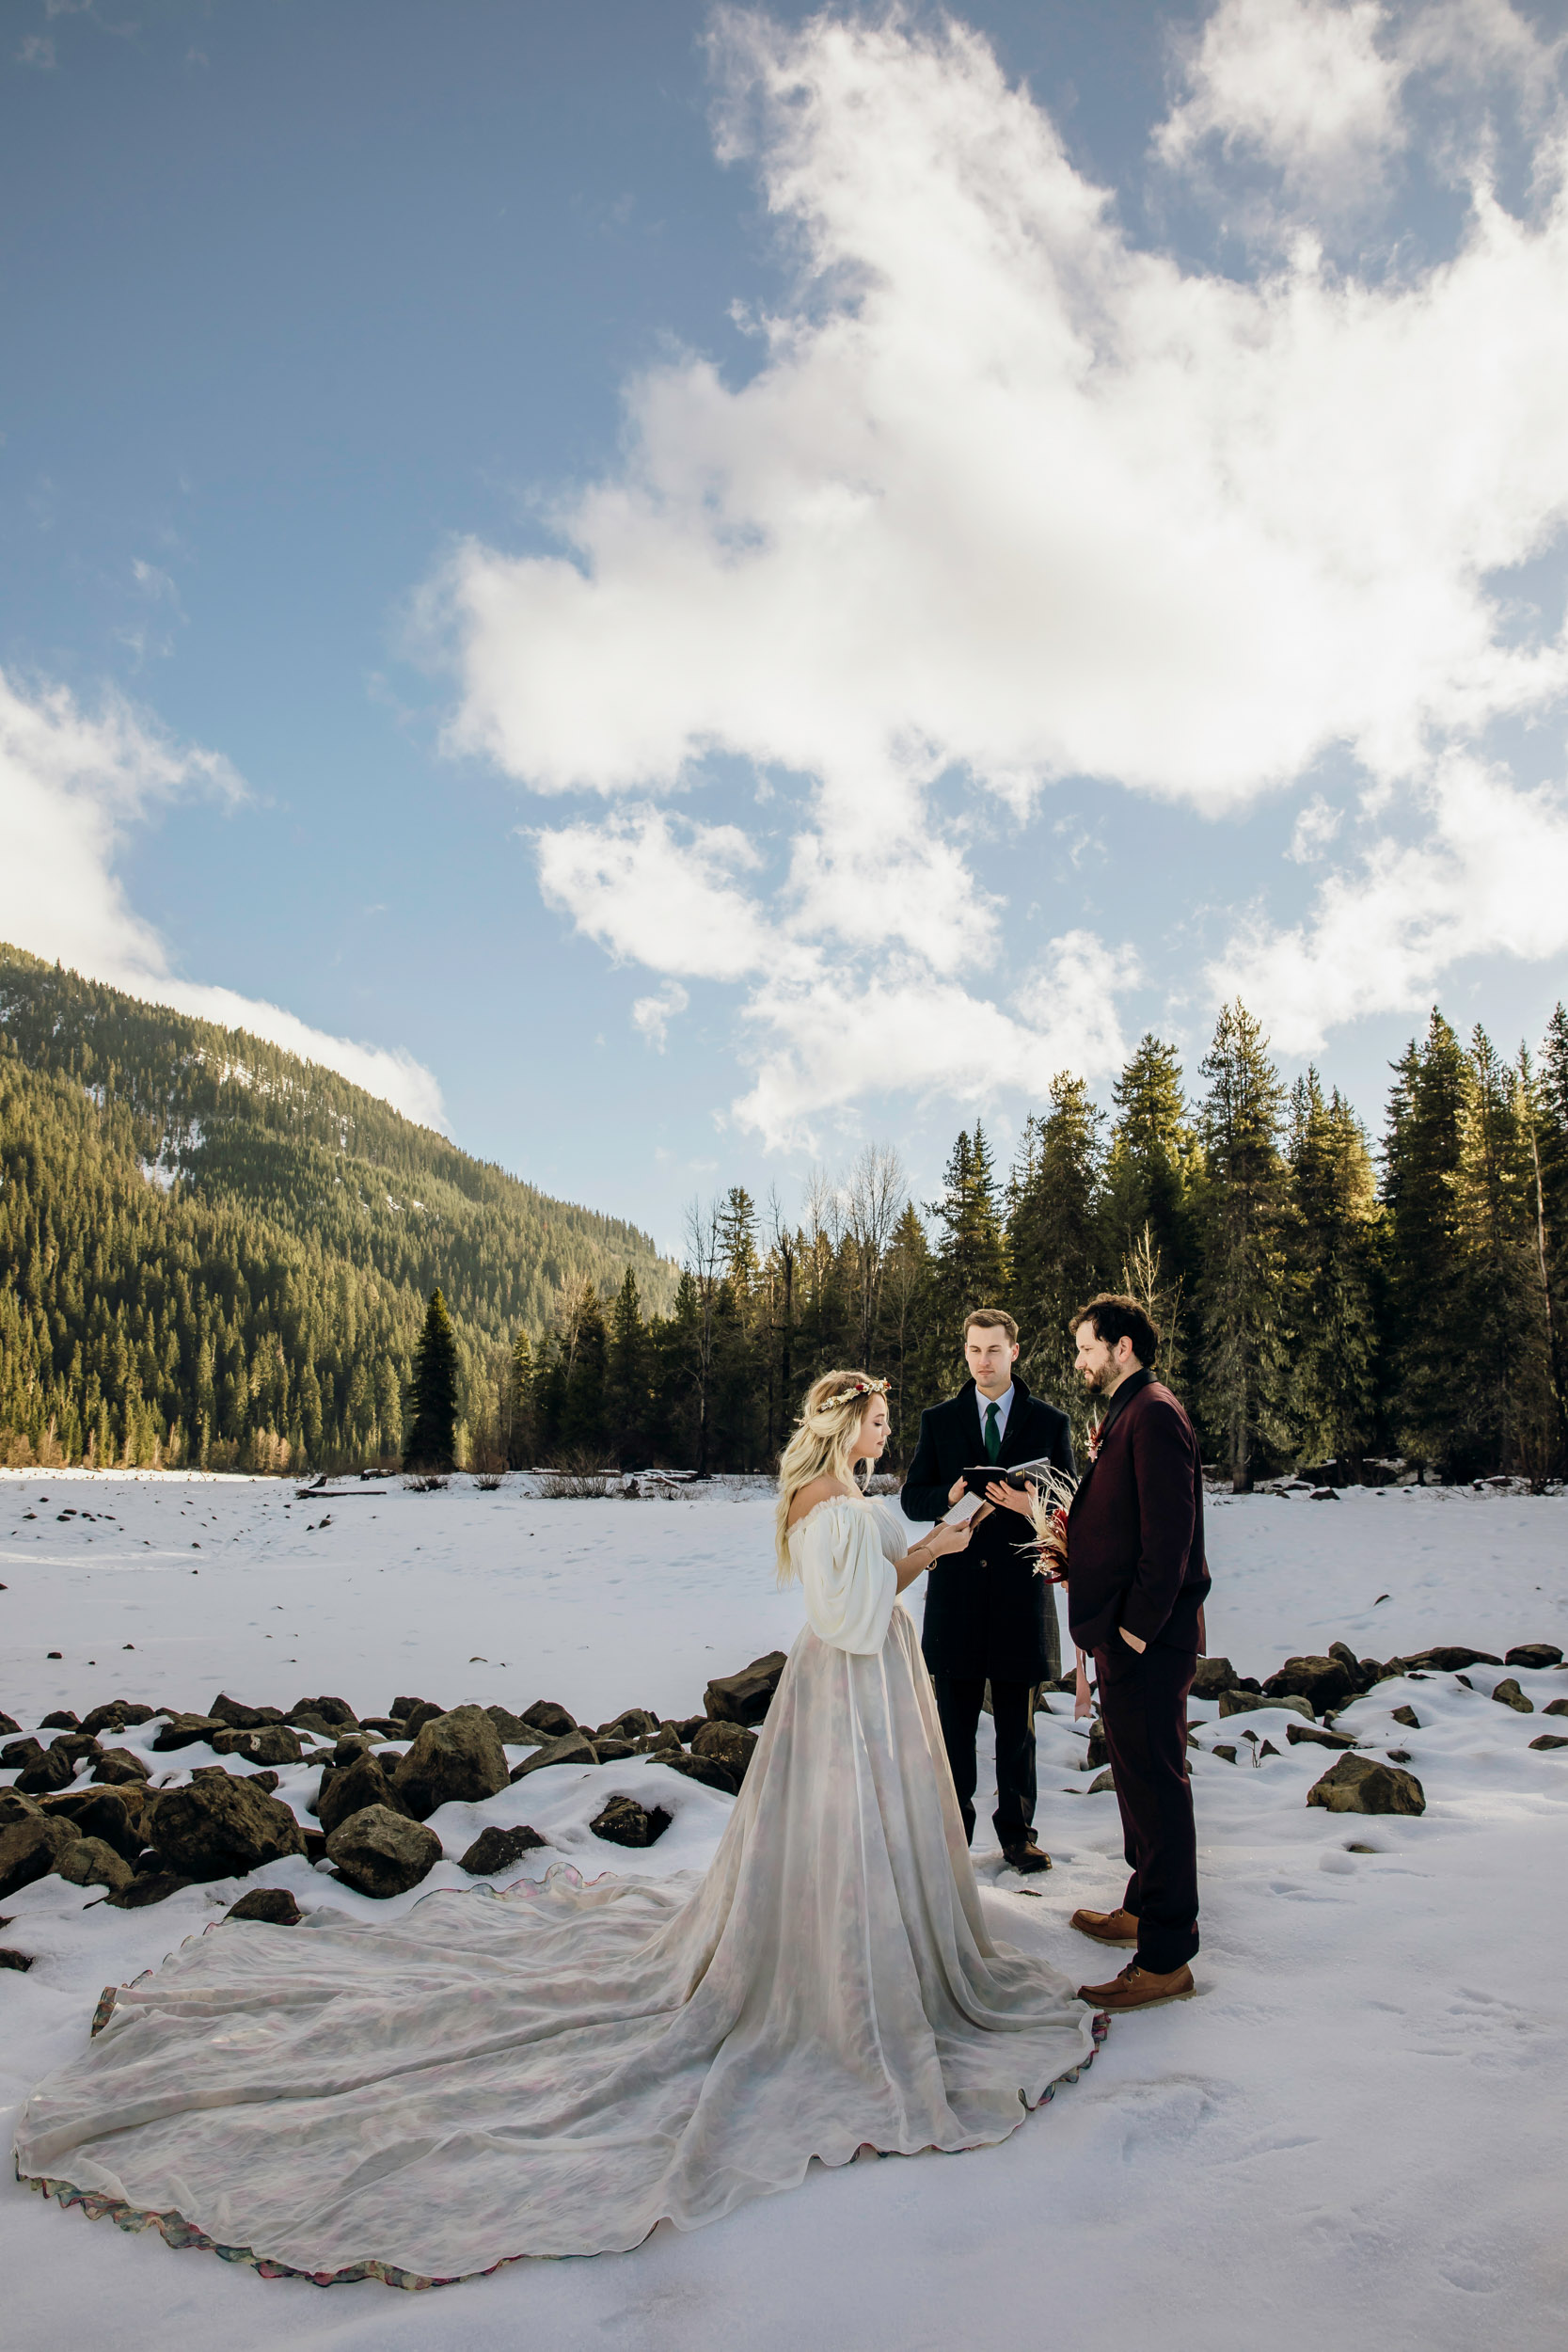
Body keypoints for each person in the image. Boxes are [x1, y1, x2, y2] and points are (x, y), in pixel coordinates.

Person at [14, 1372, 1101, 2289]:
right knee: (829, 1835)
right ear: (843, 1423)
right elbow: (852, 1614)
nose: (883, 1433)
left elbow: (877, 1583)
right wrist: (938, 1546)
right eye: (874, 1420)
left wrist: (939, 1538)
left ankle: (867, 1951)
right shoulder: (829, 1504)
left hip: (866, 1687)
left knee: (853, 1840)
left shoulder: (848, 1499)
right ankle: (836, 1976)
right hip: (848, 1688)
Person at [1061, 1295, 1210, 2012]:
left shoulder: (1152, 1413)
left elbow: (1169, 1537)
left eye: (1086, 1347)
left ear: (1121, 1346)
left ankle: (1166, 1957)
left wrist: (1132, 1632)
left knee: (1156, 1785)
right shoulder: (1127, 1410)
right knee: (1134, 1781)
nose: (1080, 1361)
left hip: (1146, 1642)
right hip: (1128, 1638)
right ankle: (1143, 1909)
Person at [900, 1309, 1076, 1874]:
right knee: (953, 1726)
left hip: (1022, 1593)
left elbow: (1075, 1507)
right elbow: (912, 1498)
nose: (983, 1361)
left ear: (1014, 1352)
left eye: (994, 1350)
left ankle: (1018, 1834)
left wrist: (1034, 1507)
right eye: (974, 1350)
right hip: (955, 1594)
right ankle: (954, 1834)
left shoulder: (1050, 1422)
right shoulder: (940, 1420)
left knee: (1016, 1728)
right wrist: (949, 1492)